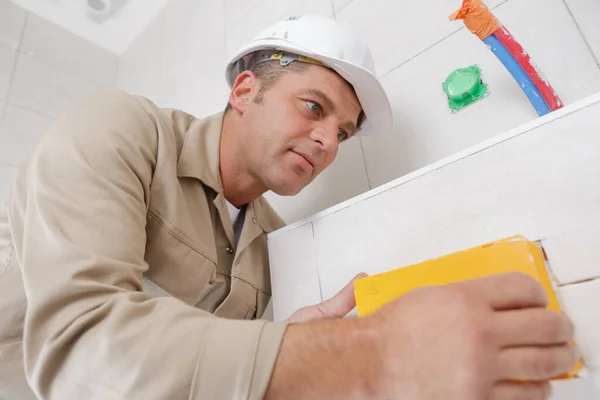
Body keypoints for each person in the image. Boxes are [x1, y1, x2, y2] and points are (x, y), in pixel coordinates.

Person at [0, 15, 577, 400]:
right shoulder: (122, 128)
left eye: (344, 133)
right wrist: (369, 355)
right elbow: (78, 350)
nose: (329, 141)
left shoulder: (274, 243)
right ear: (245, 92)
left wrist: (292, 336)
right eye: (312, 106)